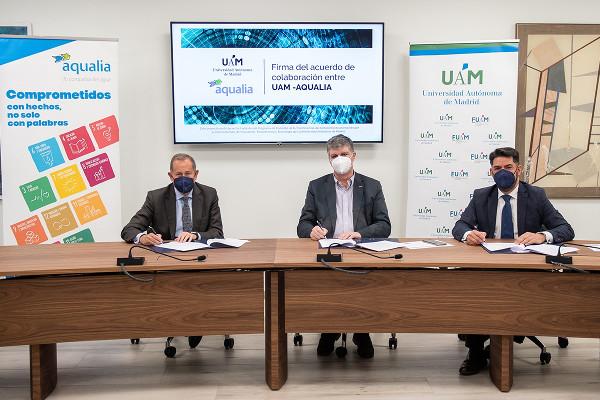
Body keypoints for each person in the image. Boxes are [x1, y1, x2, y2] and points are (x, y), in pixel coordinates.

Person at [452, 147, 574, 375]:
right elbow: (460, 226)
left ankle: (505, 338)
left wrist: (542, 236)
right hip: (490, 265)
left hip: (526, 267)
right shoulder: (481, 196)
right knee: (473, 287)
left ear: (518, 169)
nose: (503, 172)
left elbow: (565, 228)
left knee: (517, 295)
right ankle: (475, 352)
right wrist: (468, 234)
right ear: (491, 172)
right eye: (497, 168)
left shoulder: (536, 195)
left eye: (508, 167)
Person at [297, 134, 391, 358]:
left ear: (354, 156)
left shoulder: (372, 186)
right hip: (330, 251)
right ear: (329, 159)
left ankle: (361, 331)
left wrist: (360, 233)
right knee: (329, 286)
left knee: (362, 286)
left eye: (344, 154)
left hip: (361, 250)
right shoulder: (317, 186)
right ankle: (329, 329)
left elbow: (384, 225)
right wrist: (311, 230)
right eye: (334, 156)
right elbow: (303, 224)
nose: (340, 159)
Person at [121, 153, 224, 349]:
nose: (184, 178)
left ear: (196, 174)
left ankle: (195, 323)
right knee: (174, 286)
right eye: (178, 175)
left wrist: (195, 235)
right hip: (167, 257)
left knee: (198, 283)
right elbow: (129, 229)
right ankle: (186, 322)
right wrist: (141, 237)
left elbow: (217, 232)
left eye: (188, 174)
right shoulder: (156, 197)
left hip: (199, 256)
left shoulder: (209, 194)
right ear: (170, 176)